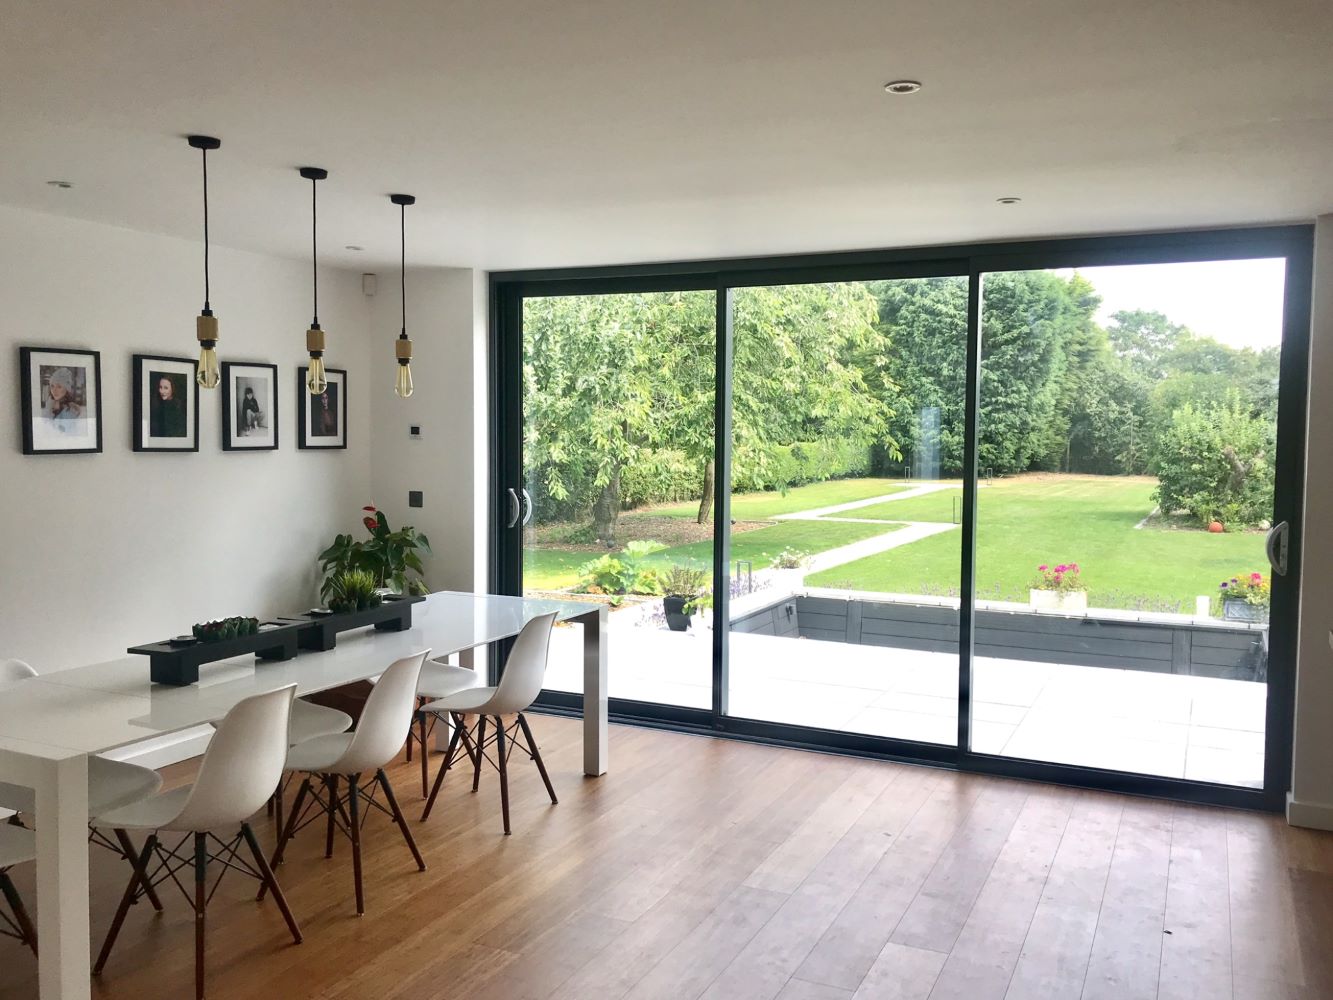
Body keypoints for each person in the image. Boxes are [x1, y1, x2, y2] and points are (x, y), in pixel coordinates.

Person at [42, 367, 84, 432]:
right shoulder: (49, 405)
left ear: (66, 389)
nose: (54, 390)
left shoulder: (71, 410)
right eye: (52, 386)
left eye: (59, 387)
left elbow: (63, 432)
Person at [149, 373, 187, 438]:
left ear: (172, 389)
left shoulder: (178, 406)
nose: (162, 391)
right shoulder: (156, 404)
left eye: (166, 388)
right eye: (160, 387)